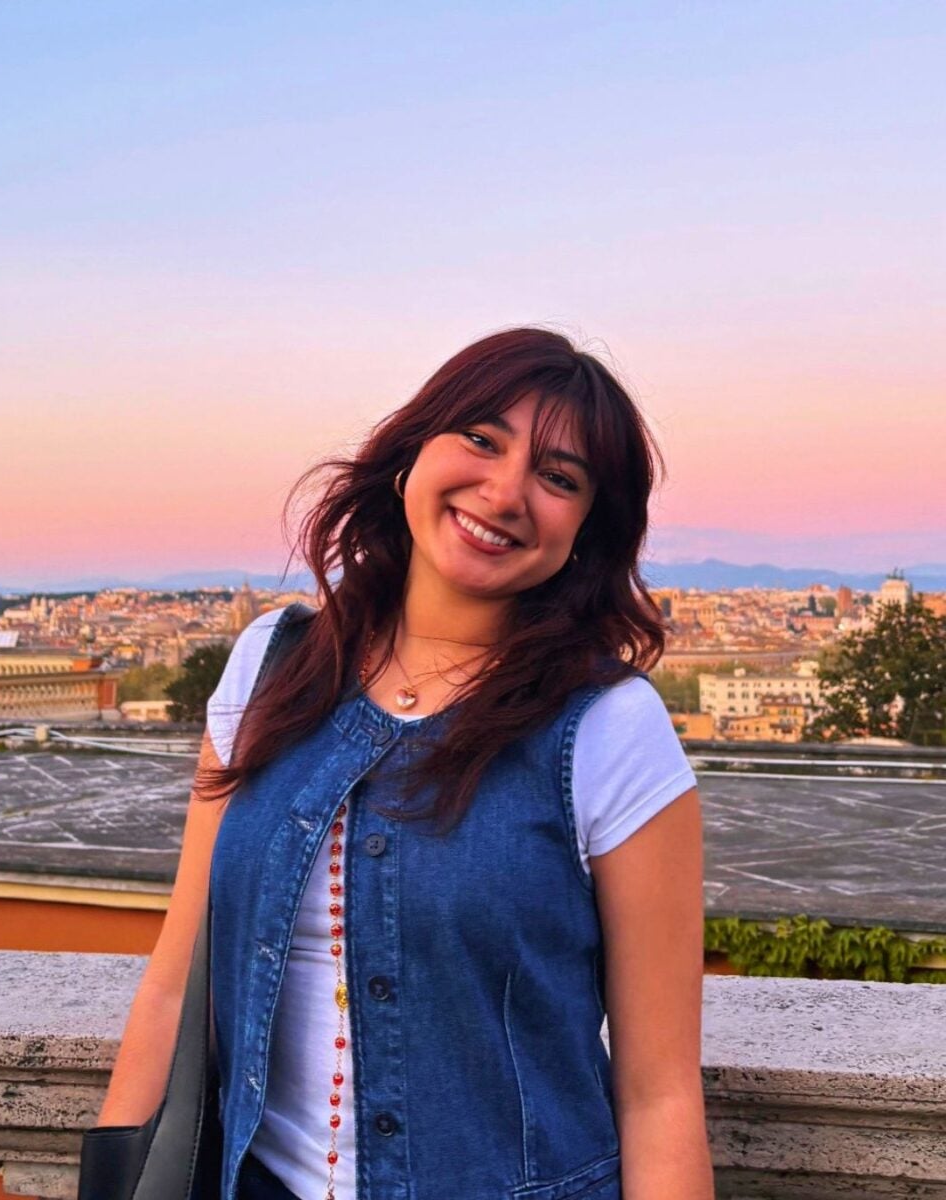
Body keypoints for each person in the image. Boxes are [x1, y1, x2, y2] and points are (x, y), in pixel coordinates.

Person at [94, 326, 714, 1200]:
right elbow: (173, 983)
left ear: (587, 532)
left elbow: (660, 1094)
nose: (505, 492)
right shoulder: (272, 666)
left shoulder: (610, 728)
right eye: (482, 439)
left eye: (558, 478)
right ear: (412, 453)